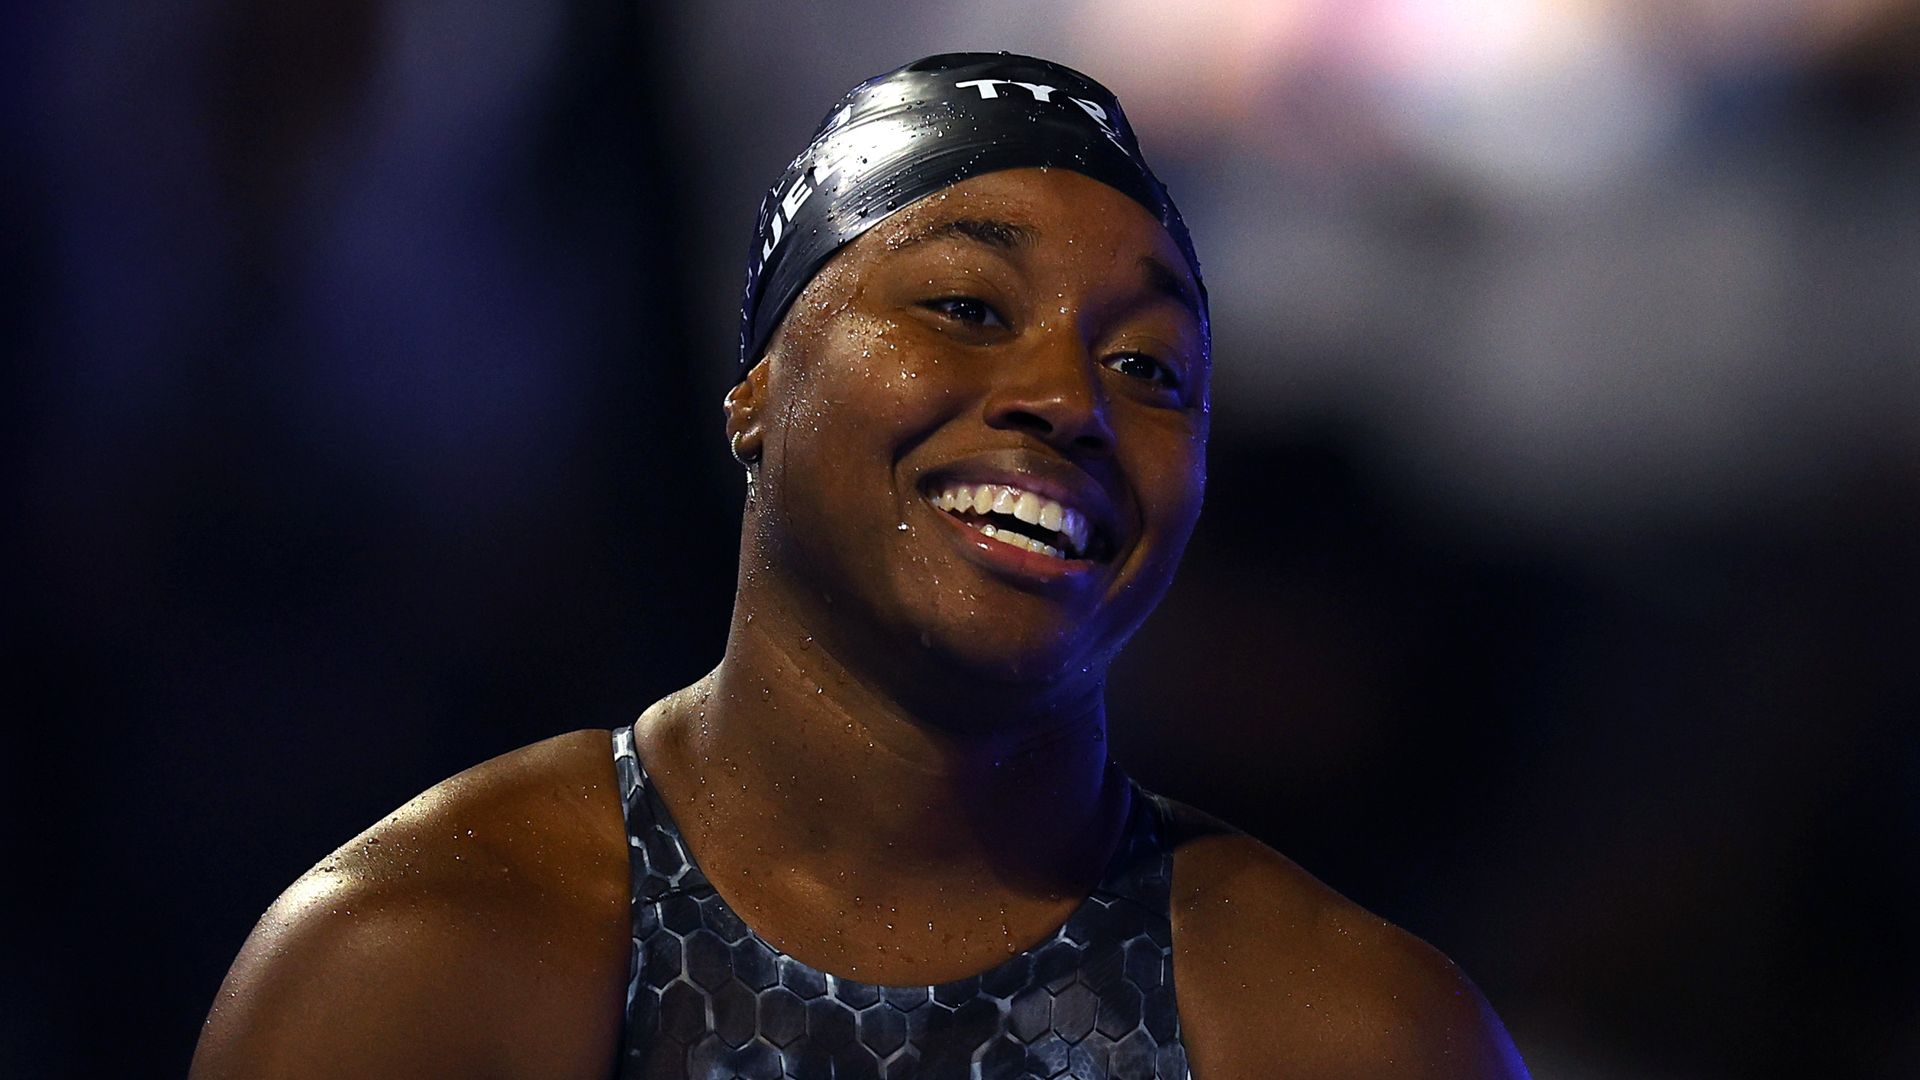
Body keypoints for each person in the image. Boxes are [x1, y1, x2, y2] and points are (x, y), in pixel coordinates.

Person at [190, 53, 1529, 1079]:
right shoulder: (430, 962)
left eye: (1148, 368)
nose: (1070, 399)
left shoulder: (1345, 1031)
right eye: (967, 307)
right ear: (757, 388)